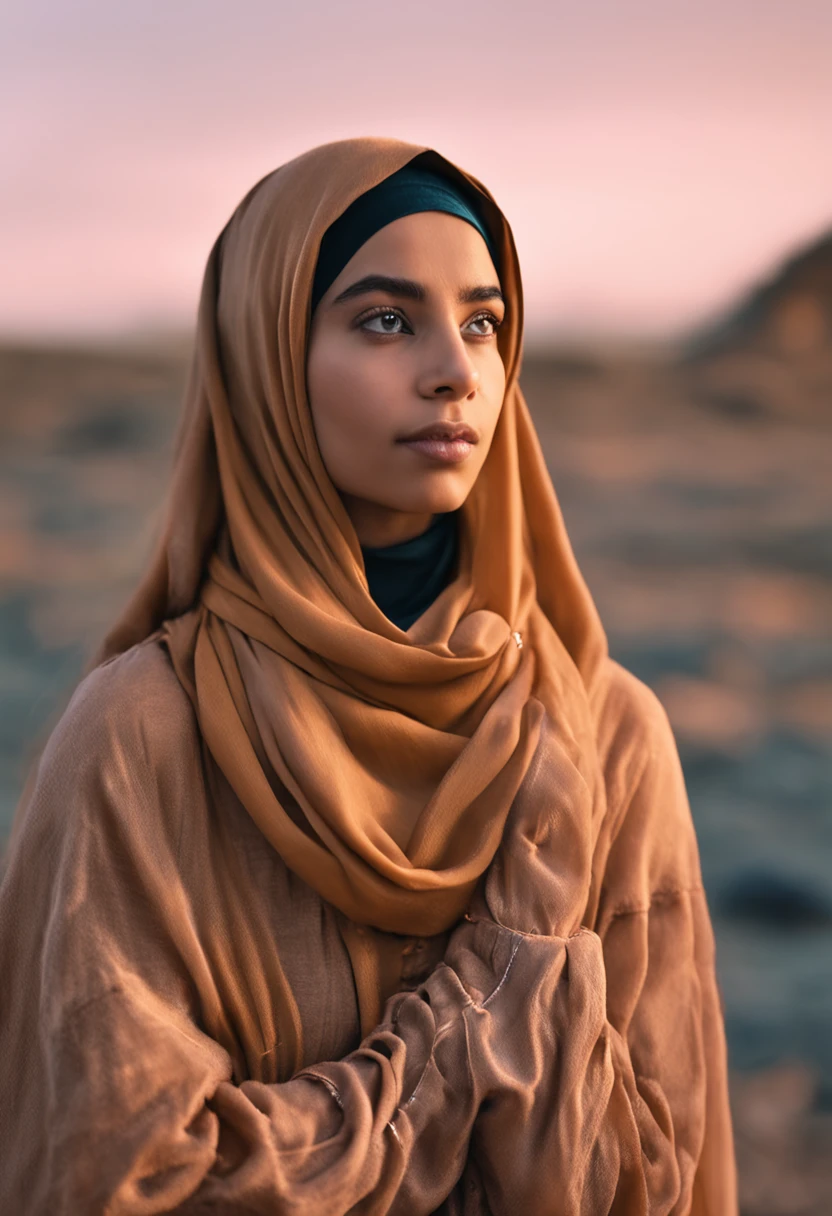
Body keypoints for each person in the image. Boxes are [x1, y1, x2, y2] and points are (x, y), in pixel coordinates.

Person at [0, 137, 738, 1214]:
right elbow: (121, 1176)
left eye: (484, 323)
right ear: (263, 362)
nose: (456, 369)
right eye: (385, 320)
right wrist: (477, 1021)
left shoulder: (601, 731)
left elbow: (666, 1171)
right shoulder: (143, 734)